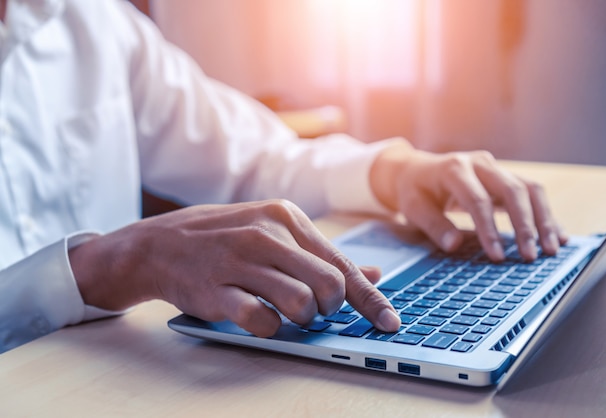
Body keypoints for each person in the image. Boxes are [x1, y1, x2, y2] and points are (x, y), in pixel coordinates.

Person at [0, 0, 567, 354]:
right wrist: (102, 266)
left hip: (119, 372)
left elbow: (251, 159)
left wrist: (391, 171)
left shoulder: (93, 20)